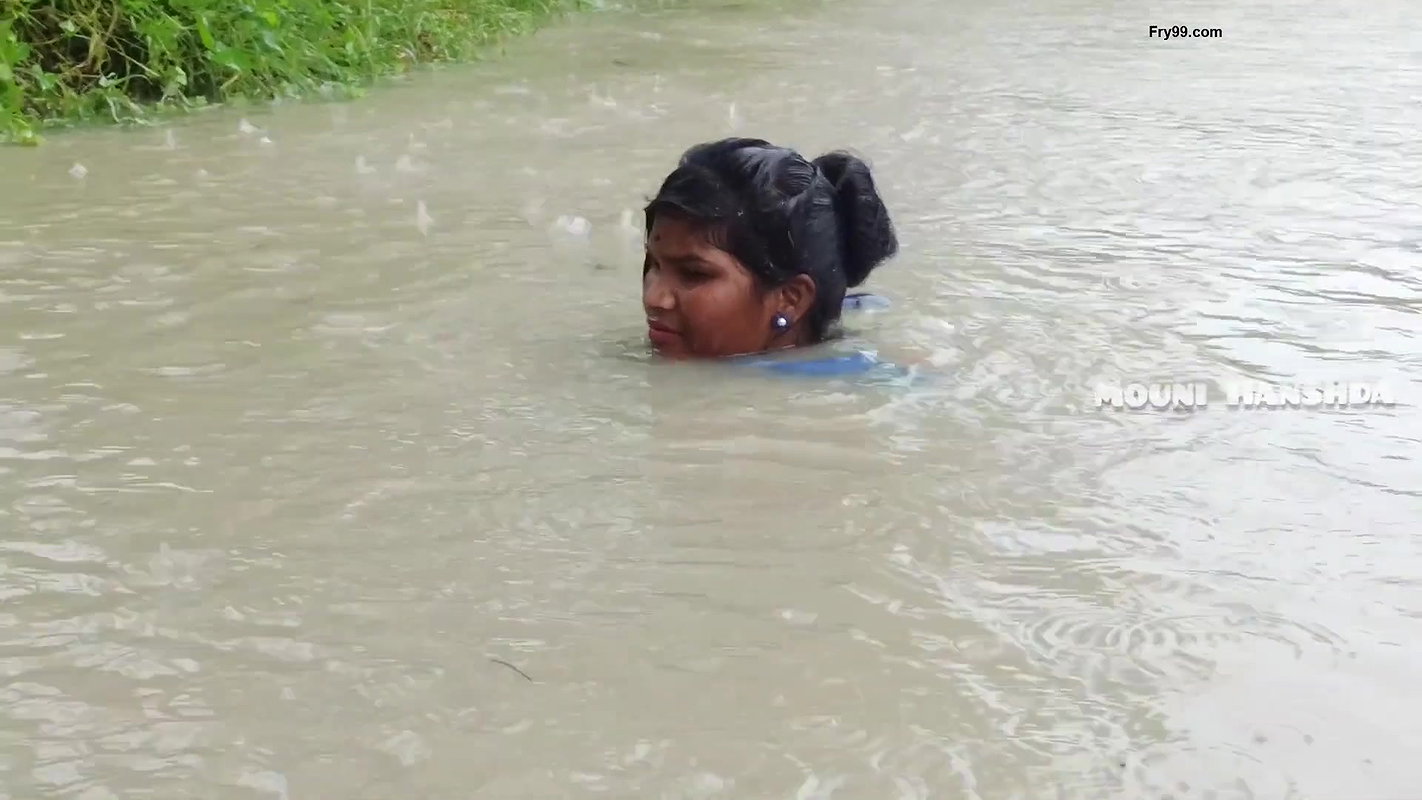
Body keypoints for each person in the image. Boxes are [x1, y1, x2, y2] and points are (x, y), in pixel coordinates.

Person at [641, 137, 899, 362]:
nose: (653, 298)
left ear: (790, 299)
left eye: (694, 274)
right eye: (654, 264)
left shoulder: (825, 409)